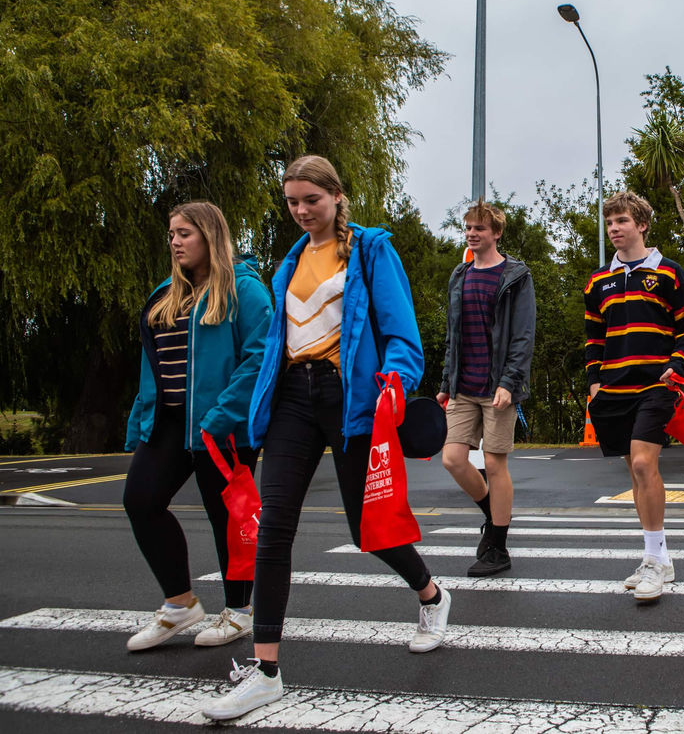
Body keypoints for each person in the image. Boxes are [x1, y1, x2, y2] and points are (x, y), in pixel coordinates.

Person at [203, 155, 444, 722]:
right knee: (274, 525)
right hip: (293, 396)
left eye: (311, 199)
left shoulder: (370, 249)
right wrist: (234, 414)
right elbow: (275, 348)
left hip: (350, 398)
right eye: (292, 202)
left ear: (336, 195)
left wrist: (397, 384)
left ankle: (431, 594)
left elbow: (401, 334)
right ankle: (265, 673)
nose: (301, 210)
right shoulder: (288, 264)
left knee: (367, 528)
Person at [123, 202, 272, 652]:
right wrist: (140, 416)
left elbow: (258, 356)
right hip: (169, 422)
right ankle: (180, 604)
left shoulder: (244, 291)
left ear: (210, 235)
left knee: (228, 518)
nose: (175, 241)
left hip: (221, 426)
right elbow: (155, 365)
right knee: (141, 500)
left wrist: (224, 413)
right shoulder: (165, 293)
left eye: (184, 233)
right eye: (171, 234)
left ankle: (240, 611)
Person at [584, 192, 684, 603]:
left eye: (622, 221)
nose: (614, 228)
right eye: (610, 222)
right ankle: (658, 558)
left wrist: (678, 364)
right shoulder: (598, 281)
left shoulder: (668, 272)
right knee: (634, 472)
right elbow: (593, 338)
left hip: (656, 385)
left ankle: (654, 560)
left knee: (641, 461)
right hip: (613, 389)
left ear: (642, 224)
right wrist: (594, 383)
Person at [438, 201, 536, 577]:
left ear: (496, 233)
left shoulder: (516, 276)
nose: (472, 233)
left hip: (498, 387)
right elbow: (453, 335)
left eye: (479, 228)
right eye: (467, 227)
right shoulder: (460, 275)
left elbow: (523, 335)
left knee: (495, 464)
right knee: (453, 458)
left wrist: (510, 383)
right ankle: (492, 516)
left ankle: (498, 547)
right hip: (463, 386)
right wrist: (446, 383)